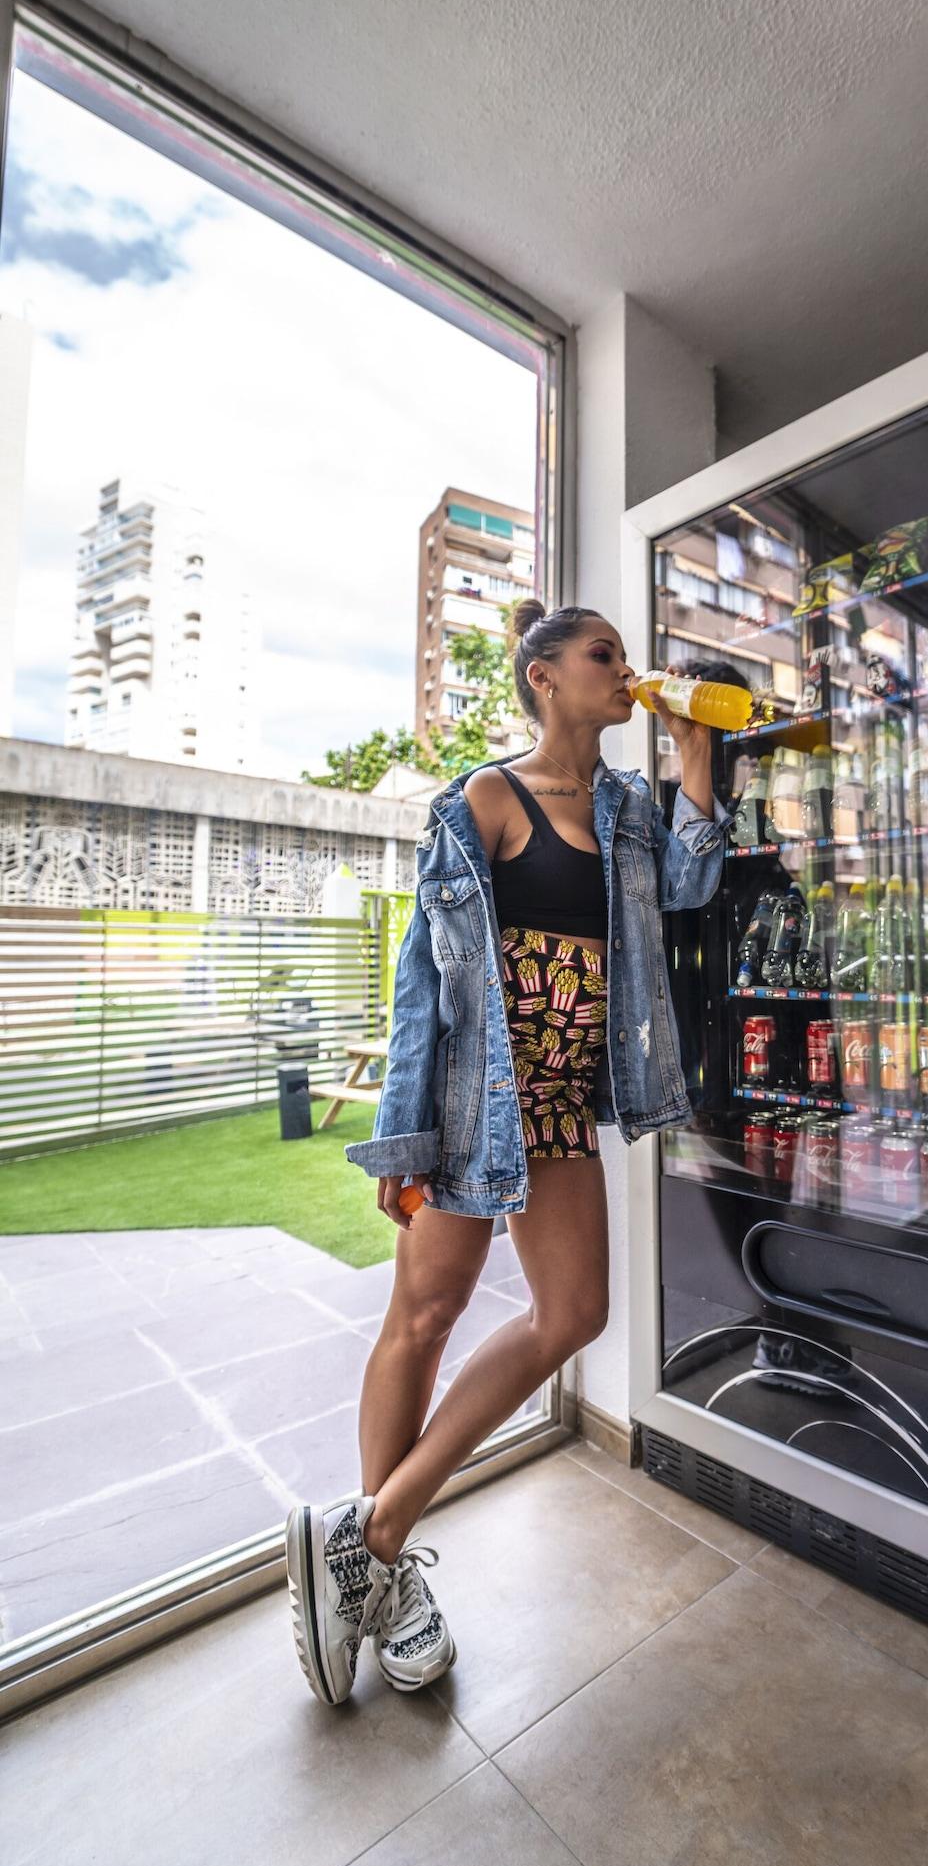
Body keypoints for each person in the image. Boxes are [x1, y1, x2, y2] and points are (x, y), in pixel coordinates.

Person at [284, 604, 726, 1706]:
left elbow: (691, 885)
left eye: (626, 659)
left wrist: (695, 763)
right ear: (543, 678)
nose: (625, 673)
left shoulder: (628, 806)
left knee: (571, 1314)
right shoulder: (485, 797)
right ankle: (379, 1579)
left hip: (566, 1101)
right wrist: (406, 1124)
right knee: (423, 1319)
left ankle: (371, 1537)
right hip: (474, 1101)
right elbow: (421, 976)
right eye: (602, 658)